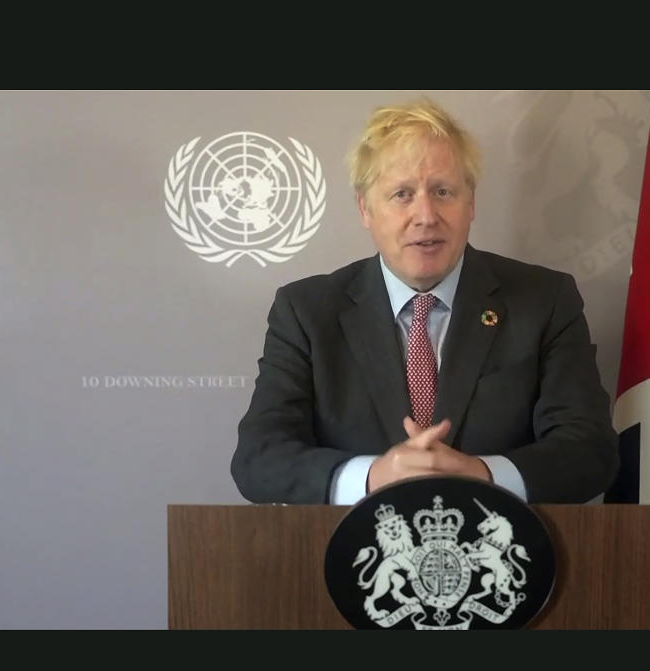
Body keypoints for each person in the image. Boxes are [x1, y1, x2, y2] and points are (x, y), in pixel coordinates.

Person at [232, 97, 618, 505]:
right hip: (352, 556)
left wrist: (482, 474)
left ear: (470, 204)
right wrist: (373, 476)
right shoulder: (307, 312)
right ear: (366, 209)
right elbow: (260, 459)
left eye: (443, 191)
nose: (426, 215)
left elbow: (590, 451)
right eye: (401, 194)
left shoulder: (545, 301)